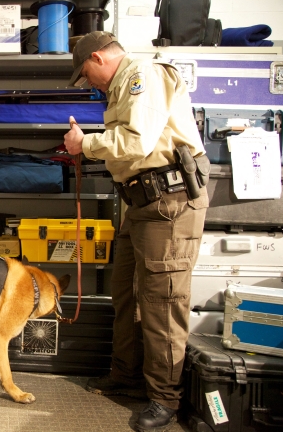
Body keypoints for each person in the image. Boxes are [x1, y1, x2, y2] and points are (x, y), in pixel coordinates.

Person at [63, 31, 209, 432]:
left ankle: (164, 397)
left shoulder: (143, 73)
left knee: (162, 302)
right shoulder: (121, 88)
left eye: (85, 73)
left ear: (98, 57)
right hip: (141, 203)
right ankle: (127, 375)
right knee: (126, 292)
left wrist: (84, 143)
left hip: (169, 204)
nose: (88, 82)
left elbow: (137, 142)